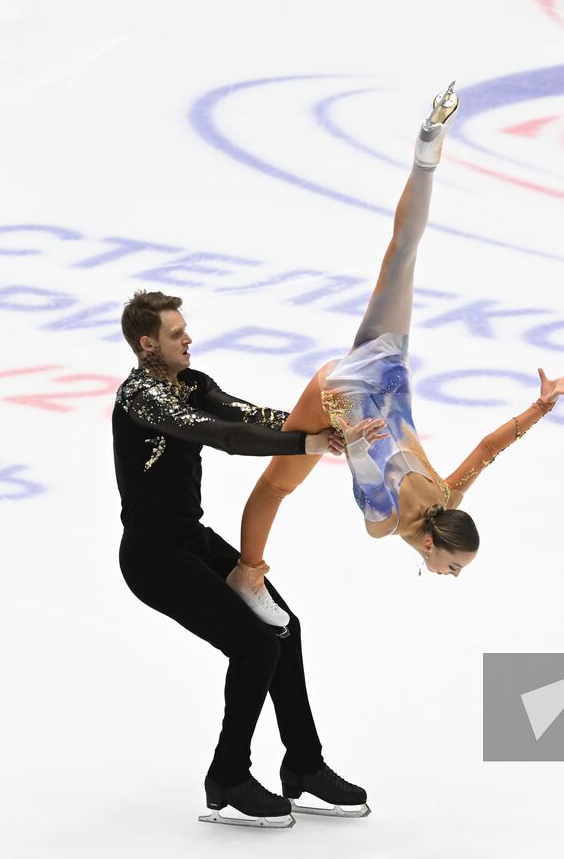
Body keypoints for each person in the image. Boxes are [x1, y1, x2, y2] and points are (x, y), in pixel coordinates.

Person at [227, 83, 564, 627]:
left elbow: (490, 448)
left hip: (386, 369)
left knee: (403, 254)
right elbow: (365, 465)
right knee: (275, 487)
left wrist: (541, 409)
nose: (451, 573)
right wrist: (342, 433)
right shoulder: (385, 524)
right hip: (340, 393)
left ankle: (426, 154)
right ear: (431, 548)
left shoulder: (449, 492)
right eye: (454, 567)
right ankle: (246, 572)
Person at [112, 291, 370, 827]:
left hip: (191, 539)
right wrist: (308, 447)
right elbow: (222, 435)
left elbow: (248, 415)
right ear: (147, 344)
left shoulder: (192, 383)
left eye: (186, 330)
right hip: (154, 557)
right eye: (176, 333)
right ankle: (227, 777)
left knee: (284, 630)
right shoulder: (142, 398)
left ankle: (303, 765)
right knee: (253, 646)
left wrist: (323, 431)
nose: (188, 339)